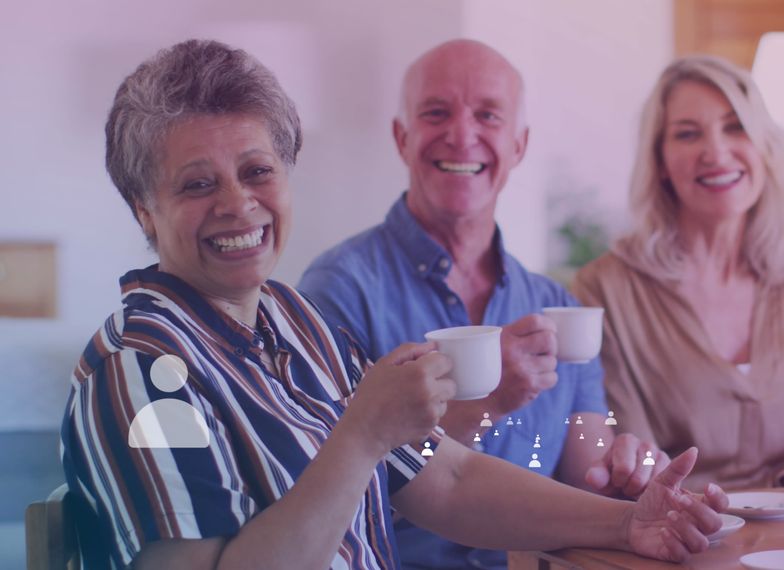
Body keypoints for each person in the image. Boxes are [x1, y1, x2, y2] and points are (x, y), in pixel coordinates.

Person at [59, 39, 729, 570]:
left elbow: (451, 480)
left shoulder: (296, 322)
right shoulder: (141, 370)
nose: (238, 204)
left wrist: (627, 521)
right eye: (197, 183)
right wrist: (361, 439)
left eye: (258, 170)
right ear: (143, 209)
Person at [299, 40, 666, 567]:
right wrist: (482, 408)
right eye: (436, 112)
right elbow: (336, 493)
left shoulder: (554, 305)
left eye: (488, 115)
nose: (462, 135)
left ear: (518, 145)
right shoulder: (340, 291)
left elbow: (593, 465)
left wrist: (630, 466)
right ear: (402, 138)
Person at [571, 55, 784, 492]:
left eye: (735, 127)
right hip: (677, 541)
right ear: (660, 162)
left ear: (764, 147)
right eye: (687, 134)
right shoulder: (605, 290)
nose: (716, 152)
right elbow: (632, 464)